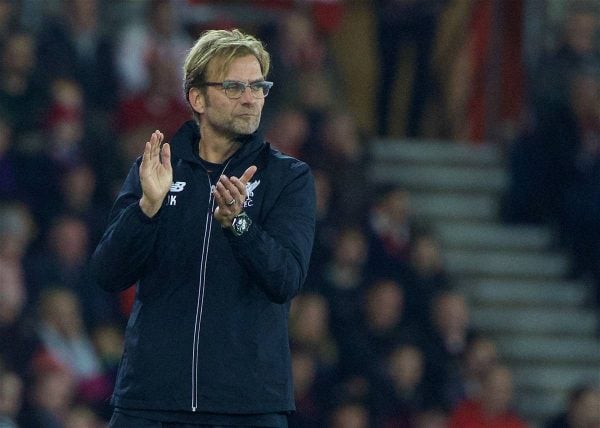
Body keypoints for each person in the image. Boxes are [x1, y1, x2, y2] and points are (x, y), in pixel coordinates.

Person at [89, 28, 316, 427]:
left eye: (258, 86)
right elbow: (108, 273)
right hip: (150, 401)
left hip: (246, 407)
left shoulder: (289, 177)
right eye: (233, 87)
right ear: (197, 97)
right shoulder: (157, 170)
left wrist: (239, 224)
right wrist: (147, 208)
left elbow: (285, 279)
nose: (250, 98)